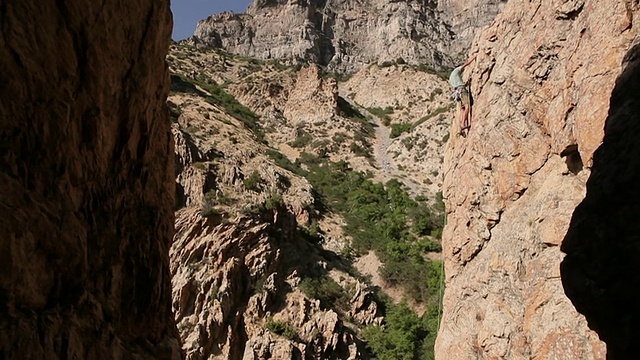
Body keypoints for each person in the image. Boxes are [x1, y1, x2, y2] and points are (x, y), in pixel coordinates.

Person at [449, 54, 476, 135]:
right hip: (461, 90)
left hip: (456, 93)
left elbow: (453, 88)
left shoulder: (450, 78)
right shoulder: (457, 70)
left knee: (462, 109)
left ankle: (461, 125)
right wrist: (473, 58)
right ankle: (463, 124)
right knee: (467, 106)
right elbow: (466, 64)